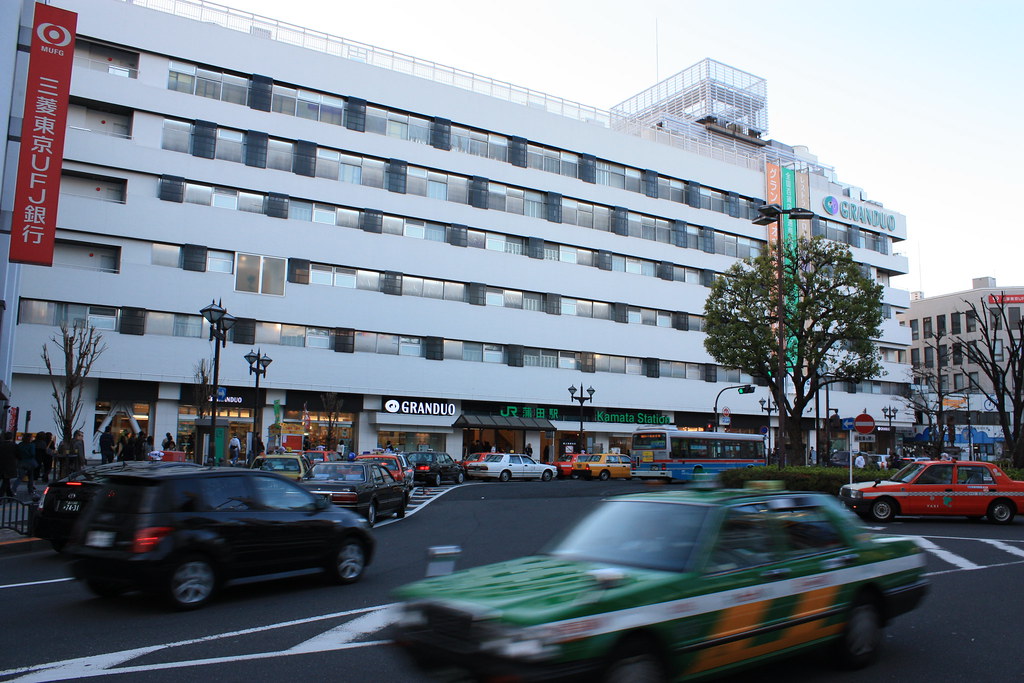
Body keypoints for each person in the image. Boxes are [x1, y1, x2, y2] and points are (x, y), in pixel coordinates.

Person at [12, 432, 38, 498]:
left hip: (21, 462)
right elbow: (33, 454)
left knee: (20, 477)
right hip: (30, 462)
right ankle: (30, 490)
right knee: (30, 477)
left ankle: (13, 489)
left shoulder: (20, 444)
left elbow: (16, 453)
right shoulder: (32, 445)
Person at [0, 432, 18, 497]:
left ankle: (9, 494)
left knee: (6, 480)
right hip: (10, 465)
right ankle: (1, 495)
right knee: (6, 481)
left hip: (1, 465)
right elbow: (18, 455)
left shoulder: (1, 445)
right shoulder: (14, 445)